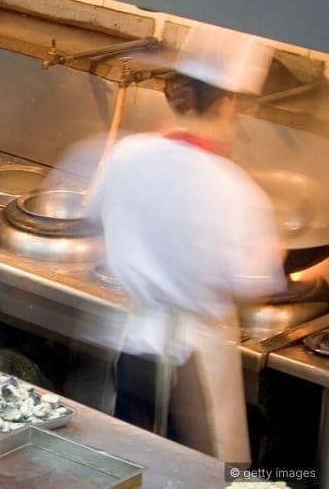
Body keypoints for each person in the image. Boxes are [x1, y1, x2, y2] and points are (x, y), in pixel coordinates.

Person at [85, 24, 286, 463]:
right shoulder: (236, 190)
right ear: (229, 104)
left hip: (134, 347)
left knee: (134, 467)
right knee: (210, 478)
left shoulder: (126, 152)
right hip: (195, 365)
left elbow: (93, 217)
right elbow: (255, 284)